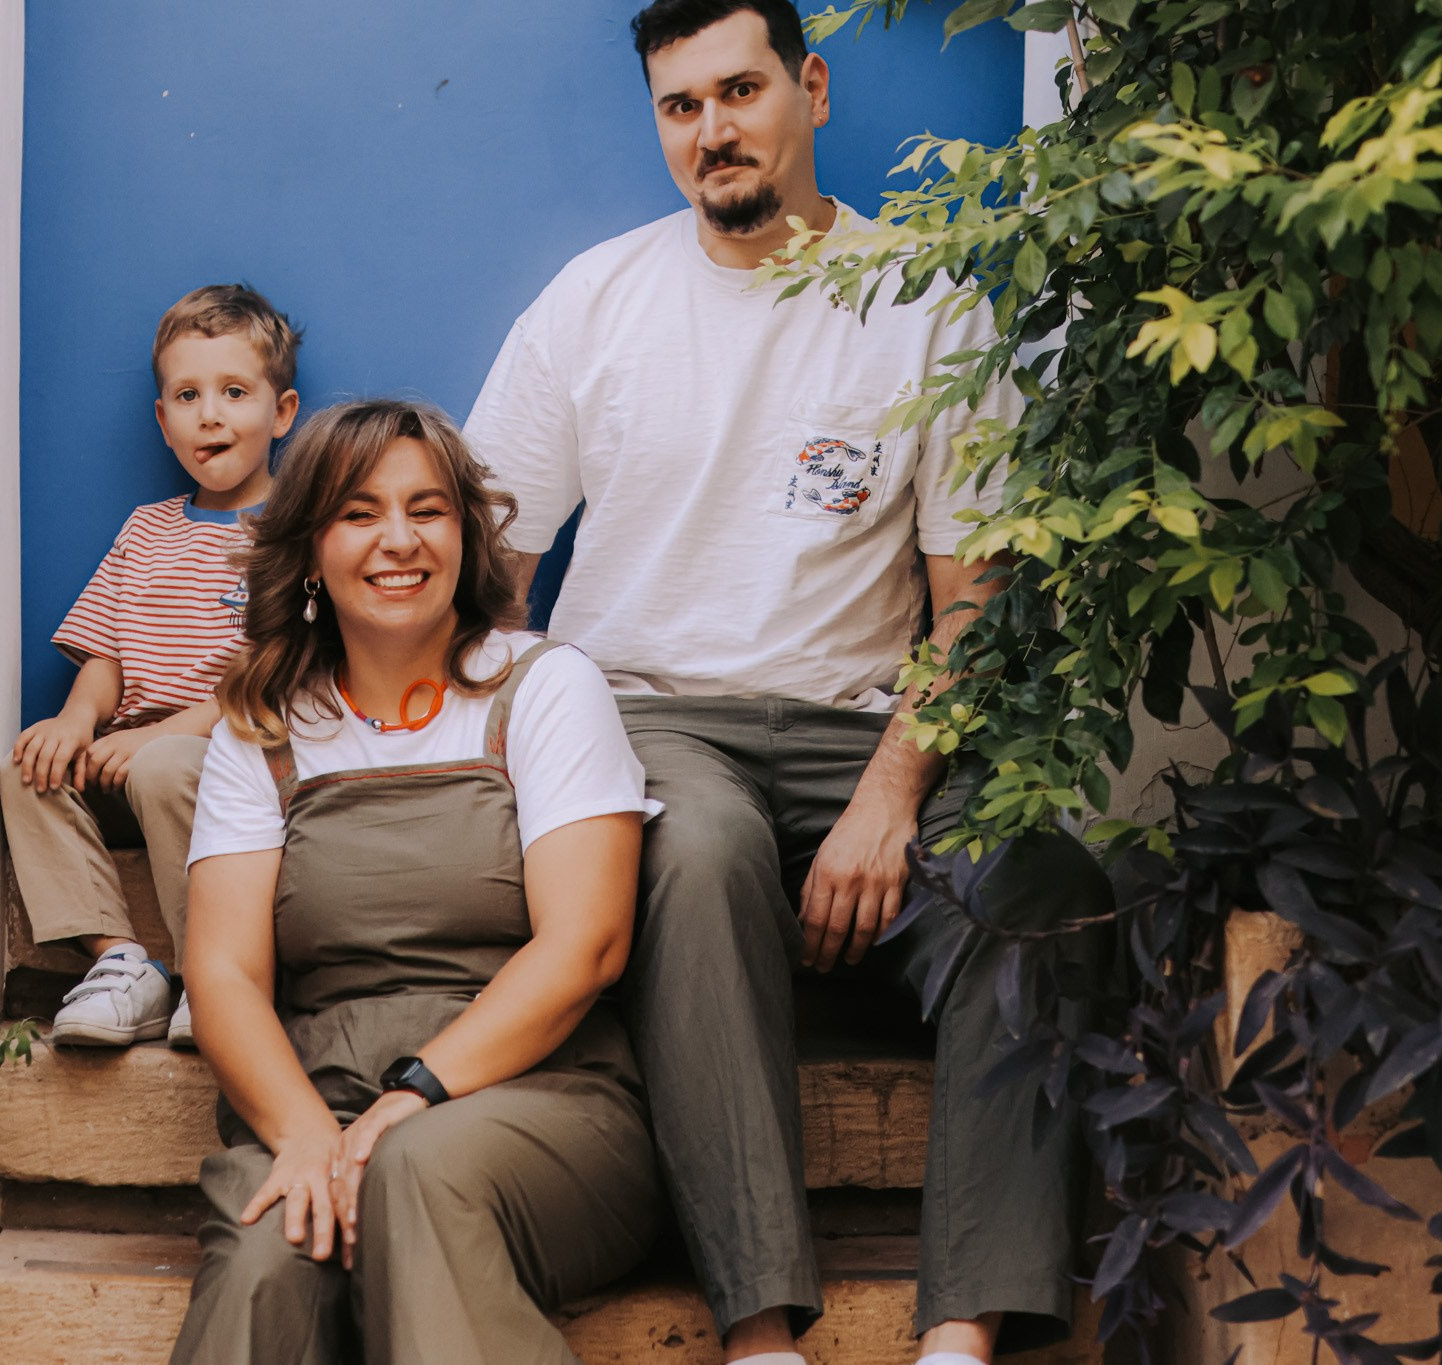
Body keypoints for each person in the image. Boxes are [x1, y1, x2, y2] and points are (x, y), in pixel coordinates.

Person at [463, 3, 1113, 1362]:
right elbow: (492, 573)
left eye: (740, 90)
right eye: (680, 107)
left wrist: (890, 797)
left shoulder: (927, 300)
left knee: (1040, 881)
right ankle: (760, 1332)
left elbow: (973, 606)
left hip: (858, 733)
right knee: (697, 848)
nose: (713, 131)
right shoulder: (596, 304)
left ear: (809, 89)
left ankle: (962, 1335)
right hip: (649, 721)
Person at [168, 399, 663, 1365]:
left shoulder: (544, 684)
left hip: (541, 1097)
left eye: (427, 509)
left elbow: (586, 943)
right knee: (267, 1265)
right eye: (359, 513)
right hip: (314, 1096)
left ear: (465, 535)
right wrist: (308, 1133)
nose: (399, 539)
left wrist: (414, 1094)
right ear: (311, 548)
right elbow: (220, 971)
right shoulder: (263, 725)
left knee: (415, 1169)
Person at [0, 284, 301, 1048]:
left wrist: (158, 736)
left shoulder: (291, 534)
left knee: (166, 764)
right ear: (162, 420)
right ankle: (122, 961)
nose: (210, 414)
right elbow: (107, 653)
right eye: (187, 395)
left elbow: (273, 671)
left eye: (235, 392)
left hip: (224, 758)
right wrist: (74, 720)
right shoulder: (147, 529)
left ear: (282, 411)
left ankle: (215, 968)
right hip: (125, 754)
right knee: (27, 769)